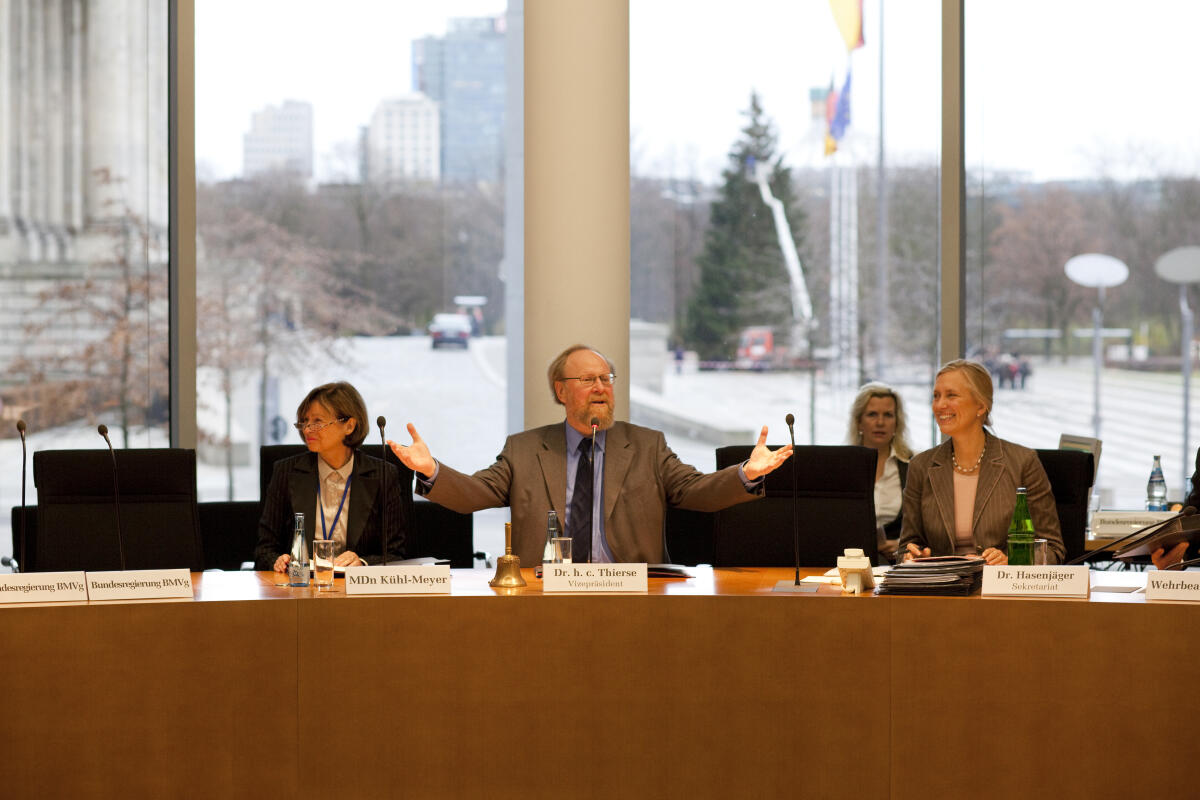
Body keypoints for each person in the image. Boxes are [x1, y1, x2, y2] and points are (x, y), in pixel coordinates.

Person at [387, 343, 793, 565]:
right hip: (546, 593)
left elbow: (695, 491)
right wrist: (432, 470)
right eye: (588, 380)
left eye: (606, 379)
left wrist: (745, 474)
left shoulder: (647, 446)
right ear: (561, 392)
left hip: (629, 594)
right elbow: (476, 492)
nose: (601, 387)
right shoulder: (525, 449)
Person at [898, 359, 1065, 564]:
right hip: (944, 591)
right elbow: (906, 547)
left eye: (951, 395)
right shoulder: (920, 466)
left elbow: (1053, 550)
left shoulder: (1023, 462)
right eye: (936, 396)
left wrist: (1012, 561)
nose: (940, 405)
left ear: (980, 406)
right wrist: (913, 555)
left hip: (1001, 591)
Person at [255, 381, 406, 572]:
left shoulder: (383, 475)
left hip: (358, 590)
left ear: (349, 426)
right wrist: (278, 561)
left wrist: (363, 562)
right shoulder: (286, 472)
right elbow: (264, 550)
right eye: (304, 421)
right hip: (300, 588)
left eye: (317, 421)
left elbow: (396, 553)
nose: (307, 429)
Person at [846, 382, 913, 562]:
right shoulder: (843, 465)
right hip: (849, 559)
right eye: (872, 414)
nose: (880, 422)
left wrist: (901, 544)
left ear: (897, 423)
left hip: (898, 561)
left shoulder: (914, 465)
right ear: (859, 421)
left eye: (888, 415)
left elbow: (927, 527)